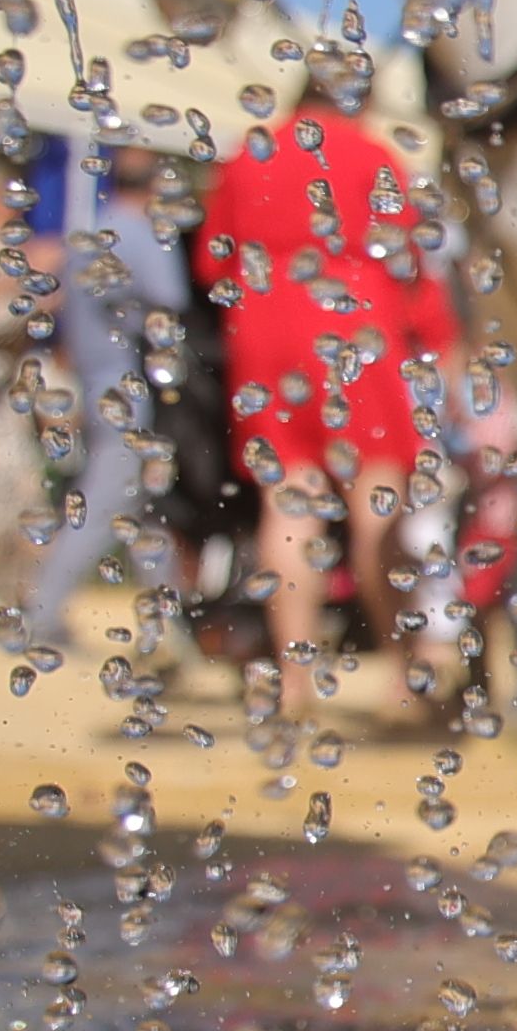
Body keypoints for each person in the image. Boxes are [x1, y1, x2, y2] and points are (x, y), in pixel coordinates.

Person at [195, 91, 471, 714]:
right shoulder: (373, 155)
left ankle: (295, 679)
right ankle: (405, 675)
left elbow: (214, 264)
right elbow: (408, 263)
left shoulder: (249, 155)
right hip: (355, 320)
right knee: (377, 500)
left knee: (288, 502)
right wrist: (443, 340)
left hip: (265, 328)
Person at [21, 143, 189, 652]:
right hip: (127, 391)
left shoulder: (90, 234)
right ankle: (40, 618)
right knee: (101, 512)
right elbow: (173, 303)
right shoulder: (141, 234)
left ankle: (174, 632)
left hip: (95, 382)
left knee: (144, 516)